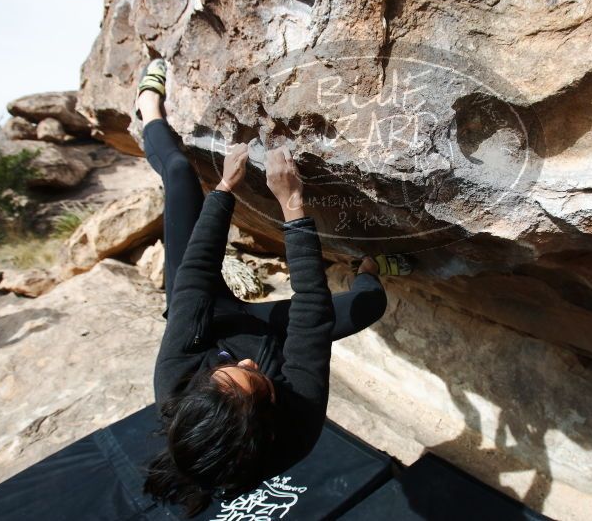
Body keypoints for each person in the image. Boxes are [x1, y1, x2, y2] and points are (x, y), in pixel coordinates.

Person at [134, 59, 410, 516]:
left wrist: (224, 189)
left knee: (182, 176)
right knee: (368, 304)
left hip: (212, 316)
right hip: (265, 338)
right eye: (252, 378)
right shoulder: (298, 426)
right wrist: (293, 206)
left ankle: (148, 107)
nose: (244, 362)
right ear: (267, 412)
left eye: (225, 371)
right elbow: (310, 318)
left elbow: (195, 277)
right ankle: (369, 265)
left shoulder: (175, 383)